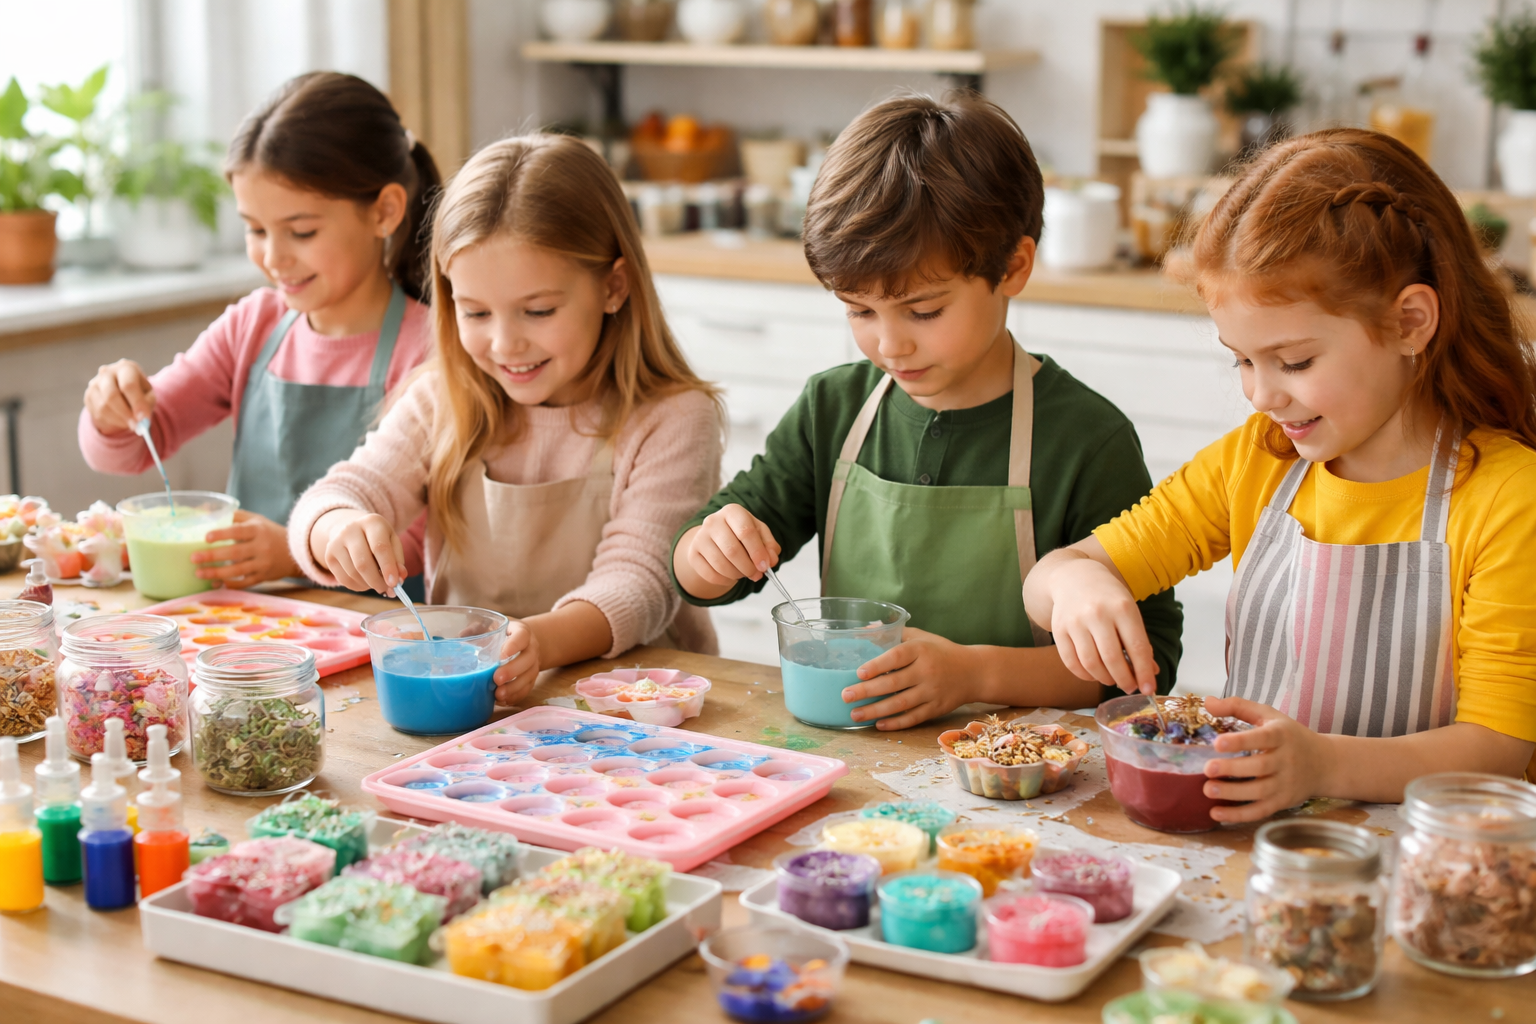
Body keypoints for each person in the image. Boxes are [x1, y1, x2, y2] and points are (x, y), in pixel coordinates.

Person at [1023, 128, 1536, 819]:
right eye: (1241, 359)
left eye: (1293, 362)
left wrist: (1322, 764)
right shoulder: (1259, 459)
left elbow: (1497, 748)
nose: (1260, 394)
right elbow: (1052, 578)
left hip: (1420, 862)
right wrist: (1077, 582)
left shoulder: (1510, 497)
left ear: (1411, 321)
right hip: (1260, 847)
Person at [671, 92, 1182, 730]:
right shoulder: (835, 409)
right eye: (859, 310)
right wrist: (710, 549)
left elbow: (1147, 662)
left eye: (924, 311)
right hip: (856, 759)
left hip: (1019, 780)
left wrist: (975, 674)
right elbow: (703, 574)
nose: (890, 344)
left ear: (1013, 267)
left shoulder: (1086, 440)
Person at [289, 134, 724, 706]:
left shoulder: (672, 418)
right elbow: (343, 492)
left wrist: (536, 641)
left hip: (638, 709)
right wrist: (337, 527)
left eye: (538, 311)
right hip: (478, 703)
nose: (504, 343)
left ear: (613, 286)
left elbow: (639, 584)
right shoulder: (444, 397)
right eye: (474, 312)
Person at [78, 72, 438, 588]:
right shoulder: (253, 325)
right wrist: (111, 411)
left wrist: (295, 555)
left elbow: (428, 540)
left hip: (373, 631)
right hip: (256, 636)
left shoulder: (429, 348)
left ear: (383, 211)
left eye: (302, 231)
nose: (273, 257)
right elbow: (134, 447)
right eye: (255, 229)